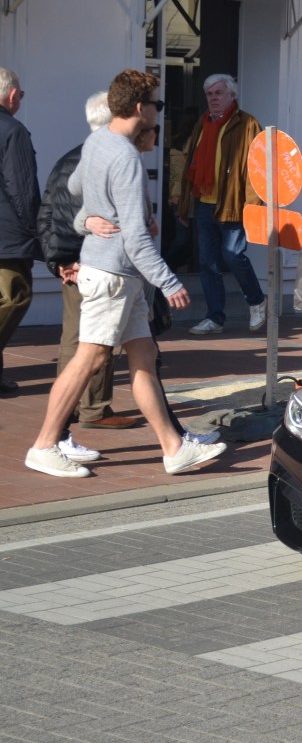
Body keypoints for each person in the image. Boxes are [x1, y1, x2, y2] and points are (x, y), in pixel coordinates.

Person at [26, 69, 225, 478]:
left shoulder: (97, 142)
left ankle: (173, 447)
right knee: (91, 356)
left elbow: (77, 188)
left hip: (117, 274)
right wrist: (169, 282)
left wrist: (88, 220)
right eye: (158, 104)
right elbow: (134, 236)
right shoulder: (126, 156)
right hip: (114, 274)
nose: (159, 112)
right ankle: (45, 444)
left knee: (143, 356)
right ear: (140, 108)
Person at [36, 91, 140, 462]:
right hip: (96, 264)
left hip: (72, 264)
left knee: (75, 340)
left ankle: (67, 421)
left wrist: (57, 261)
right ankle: (88, 412)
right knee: (97, 346)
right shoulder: (108, 159)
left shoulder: (68, 159)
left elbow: (48, 213)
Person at [175, 74, 267, 336]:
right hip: (205, 203)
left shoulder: (247, 124)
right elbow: (189, 165)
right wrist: (184, 204)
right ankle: (215, 317)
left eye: (218, 93)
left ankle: (256, 300)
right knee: (208, 262)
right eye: (209, 94)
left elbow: (257, 167)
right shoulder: (201, 124)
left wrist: (253, 206)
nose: (213, 98)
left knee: (233, 255)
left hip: (233, 203)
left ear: (231, 96)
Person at [0, 66, 41, 396]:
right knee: (15, 296)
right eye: (22, 95)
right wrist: (36, 230)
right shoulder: (13, 130)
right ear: (12, 95)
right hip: (7, 238)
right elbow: (23, 188)